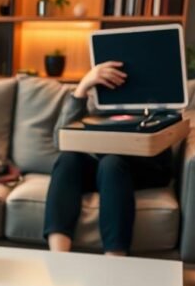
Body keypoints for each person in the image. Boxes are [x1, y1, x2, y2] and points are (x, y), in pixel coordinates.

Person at [44, 61, 173, 256]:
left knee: (111, 163)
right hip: (103, 168)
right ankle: (58, 257)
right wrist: (83, 87)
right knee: (68, 159)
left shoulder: (157, 89)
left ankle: (115, 261)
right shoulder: (99, 95)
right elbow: (60, 139)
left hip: (143, 166)